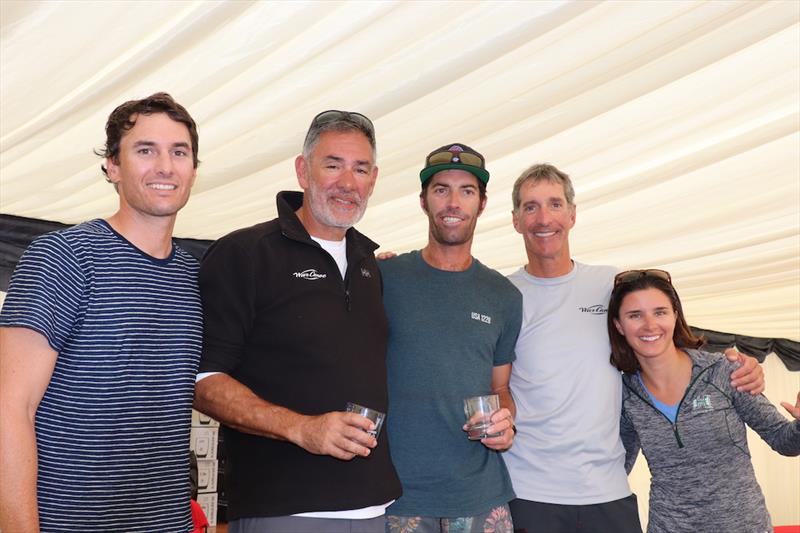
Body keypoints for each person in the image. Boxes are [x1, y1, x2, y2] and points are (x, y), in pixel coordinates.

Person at [503, 163, 765, 533]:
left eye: (555, 204)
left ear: (573, 214)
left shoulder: (608, 284)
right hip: (531, 491)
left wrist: (740, 364)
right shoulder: (500, 295)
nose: (544, 217)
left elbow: (658, 335)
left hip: (608, 492)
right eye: (530, 207)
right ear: (515, 220)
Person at [0, 92, 202, 532]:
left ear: (193, 170)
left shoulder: (194, 276)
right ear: (113, 166)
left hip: (166, 523)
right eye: (145, 150)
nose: (165, 166)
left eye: (179, 152)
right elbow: (8, 408)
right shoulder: (64, 257)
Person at [193, 110, 401, 533]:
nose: (348, 182)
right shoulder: (245, 254)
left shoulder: (370, 265)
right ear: (303, 170)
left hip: (374, 508)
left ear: (374, 180)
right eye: (333, 164)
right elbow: (202, 381)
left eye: (360, 169)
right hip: (284, 510)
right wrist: (302, 428)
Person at [381, 143, 521, 533]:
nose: (453, 202)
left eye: (467, 191)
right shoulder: (383, 278)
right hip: (398, 497)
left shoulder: (503, 295)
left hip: (480, 495)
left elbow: (502, 387)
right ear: (424, 201)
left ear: (482, 202)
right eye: (441, 189)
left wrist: (505, 423)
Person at [609, 268, 800, 533]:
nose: (650, 325)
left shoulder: (724, 371)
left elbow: (784, 440)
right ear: (619, 325)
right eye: (635, 315)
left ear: (676, 316)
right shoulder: (624, 393)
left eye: (660, 312)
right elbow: (615, 469)